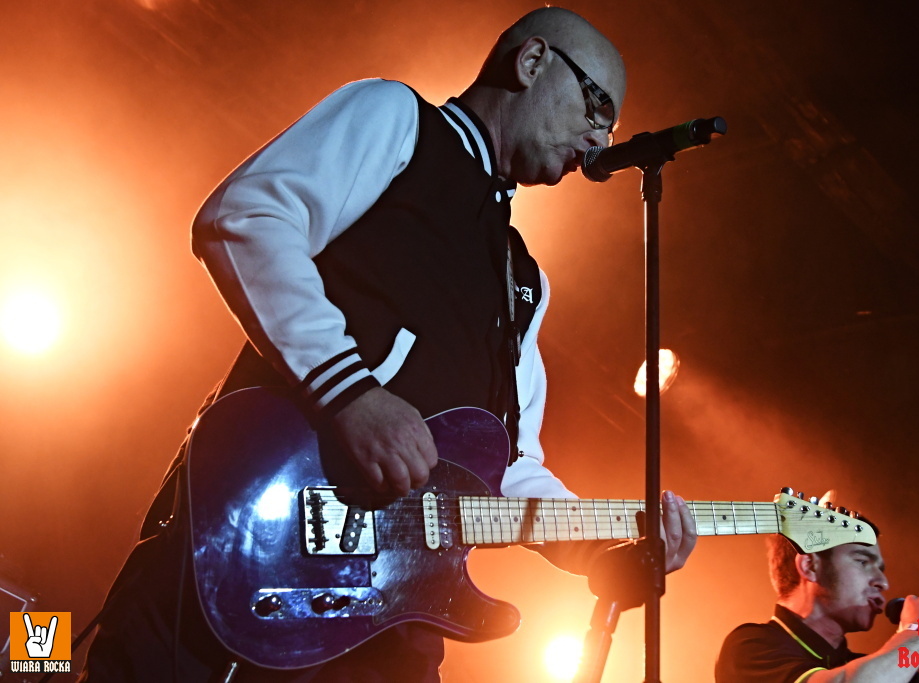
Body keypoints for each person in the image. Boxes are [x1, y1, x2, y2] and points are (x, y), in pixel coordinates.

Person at [80, 7, 697, 682]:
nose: (603, 137)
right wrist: (350, 393)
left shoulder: (524, 280)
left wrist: (604, 545)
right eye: (598, 105)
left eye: (611, 123)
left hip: (388, 628)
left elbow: (508, 468)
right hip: (245, 559)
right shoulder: (400, 121)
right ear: (531, 62)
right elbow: (248, 215)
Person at [715, 512, 919, 683]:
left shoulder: (877, 668)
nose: (883, 582)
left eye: (881, 569)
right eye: (862, 561)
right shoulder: (750, 647)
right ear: (810, 566)